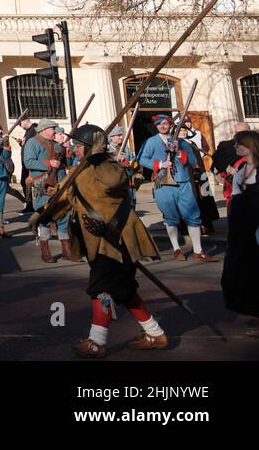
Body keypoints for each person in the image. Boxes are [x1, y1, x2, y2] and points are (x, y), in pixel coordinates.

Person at [34, 123, 169, 357]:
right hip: (97, 241)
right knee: (125, 291)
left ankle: (96, 342)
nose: (73, 149)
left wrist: (97, 157)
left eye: (77, 146)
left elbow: (115, 182)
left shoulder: (108, 166)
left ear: (89, 147)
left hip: (115, 240)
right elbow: (64, 198)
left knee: (101, 289)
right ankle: (155, 334)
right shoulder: (80, 169)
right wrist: (42, 217)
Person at [137, 114, 217, 262]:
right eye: (160, 124)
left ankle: (198, 250)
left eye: (165, 123)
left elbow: (194, 161)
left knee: (193, 216)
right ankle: (176, 249)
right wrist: (160, 164)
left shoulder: (182, 142)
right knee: (170, 216)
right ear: (156, 126)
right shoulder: (151, 142)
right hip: (163, 182)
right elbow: (142, 159)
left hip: (184, 181)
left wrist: (180, 153)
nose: (162, 126)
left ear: (171, 125)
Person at [222, 130, 259, 334]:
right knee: (244, 272)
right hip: (241, 228)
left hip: (257, 226)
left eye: (237, 144)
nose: (234, 147)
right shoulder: (241, 168)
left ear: (249, 145)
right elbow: (236, 197)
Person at [23, 119, 74, 262]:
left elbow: (66, 164)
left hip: (60, 183)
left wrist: (68, 153)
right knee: (44, 216)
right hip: (42, 184)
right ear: (44, 130)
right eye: (53, 129)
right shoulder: (32, 143)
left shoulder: (57, 145)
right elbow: (28, 162)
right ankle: (45, 251)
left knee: (64, 214)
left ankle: (66, 250)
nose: (55, 131)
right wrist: (48, 163)